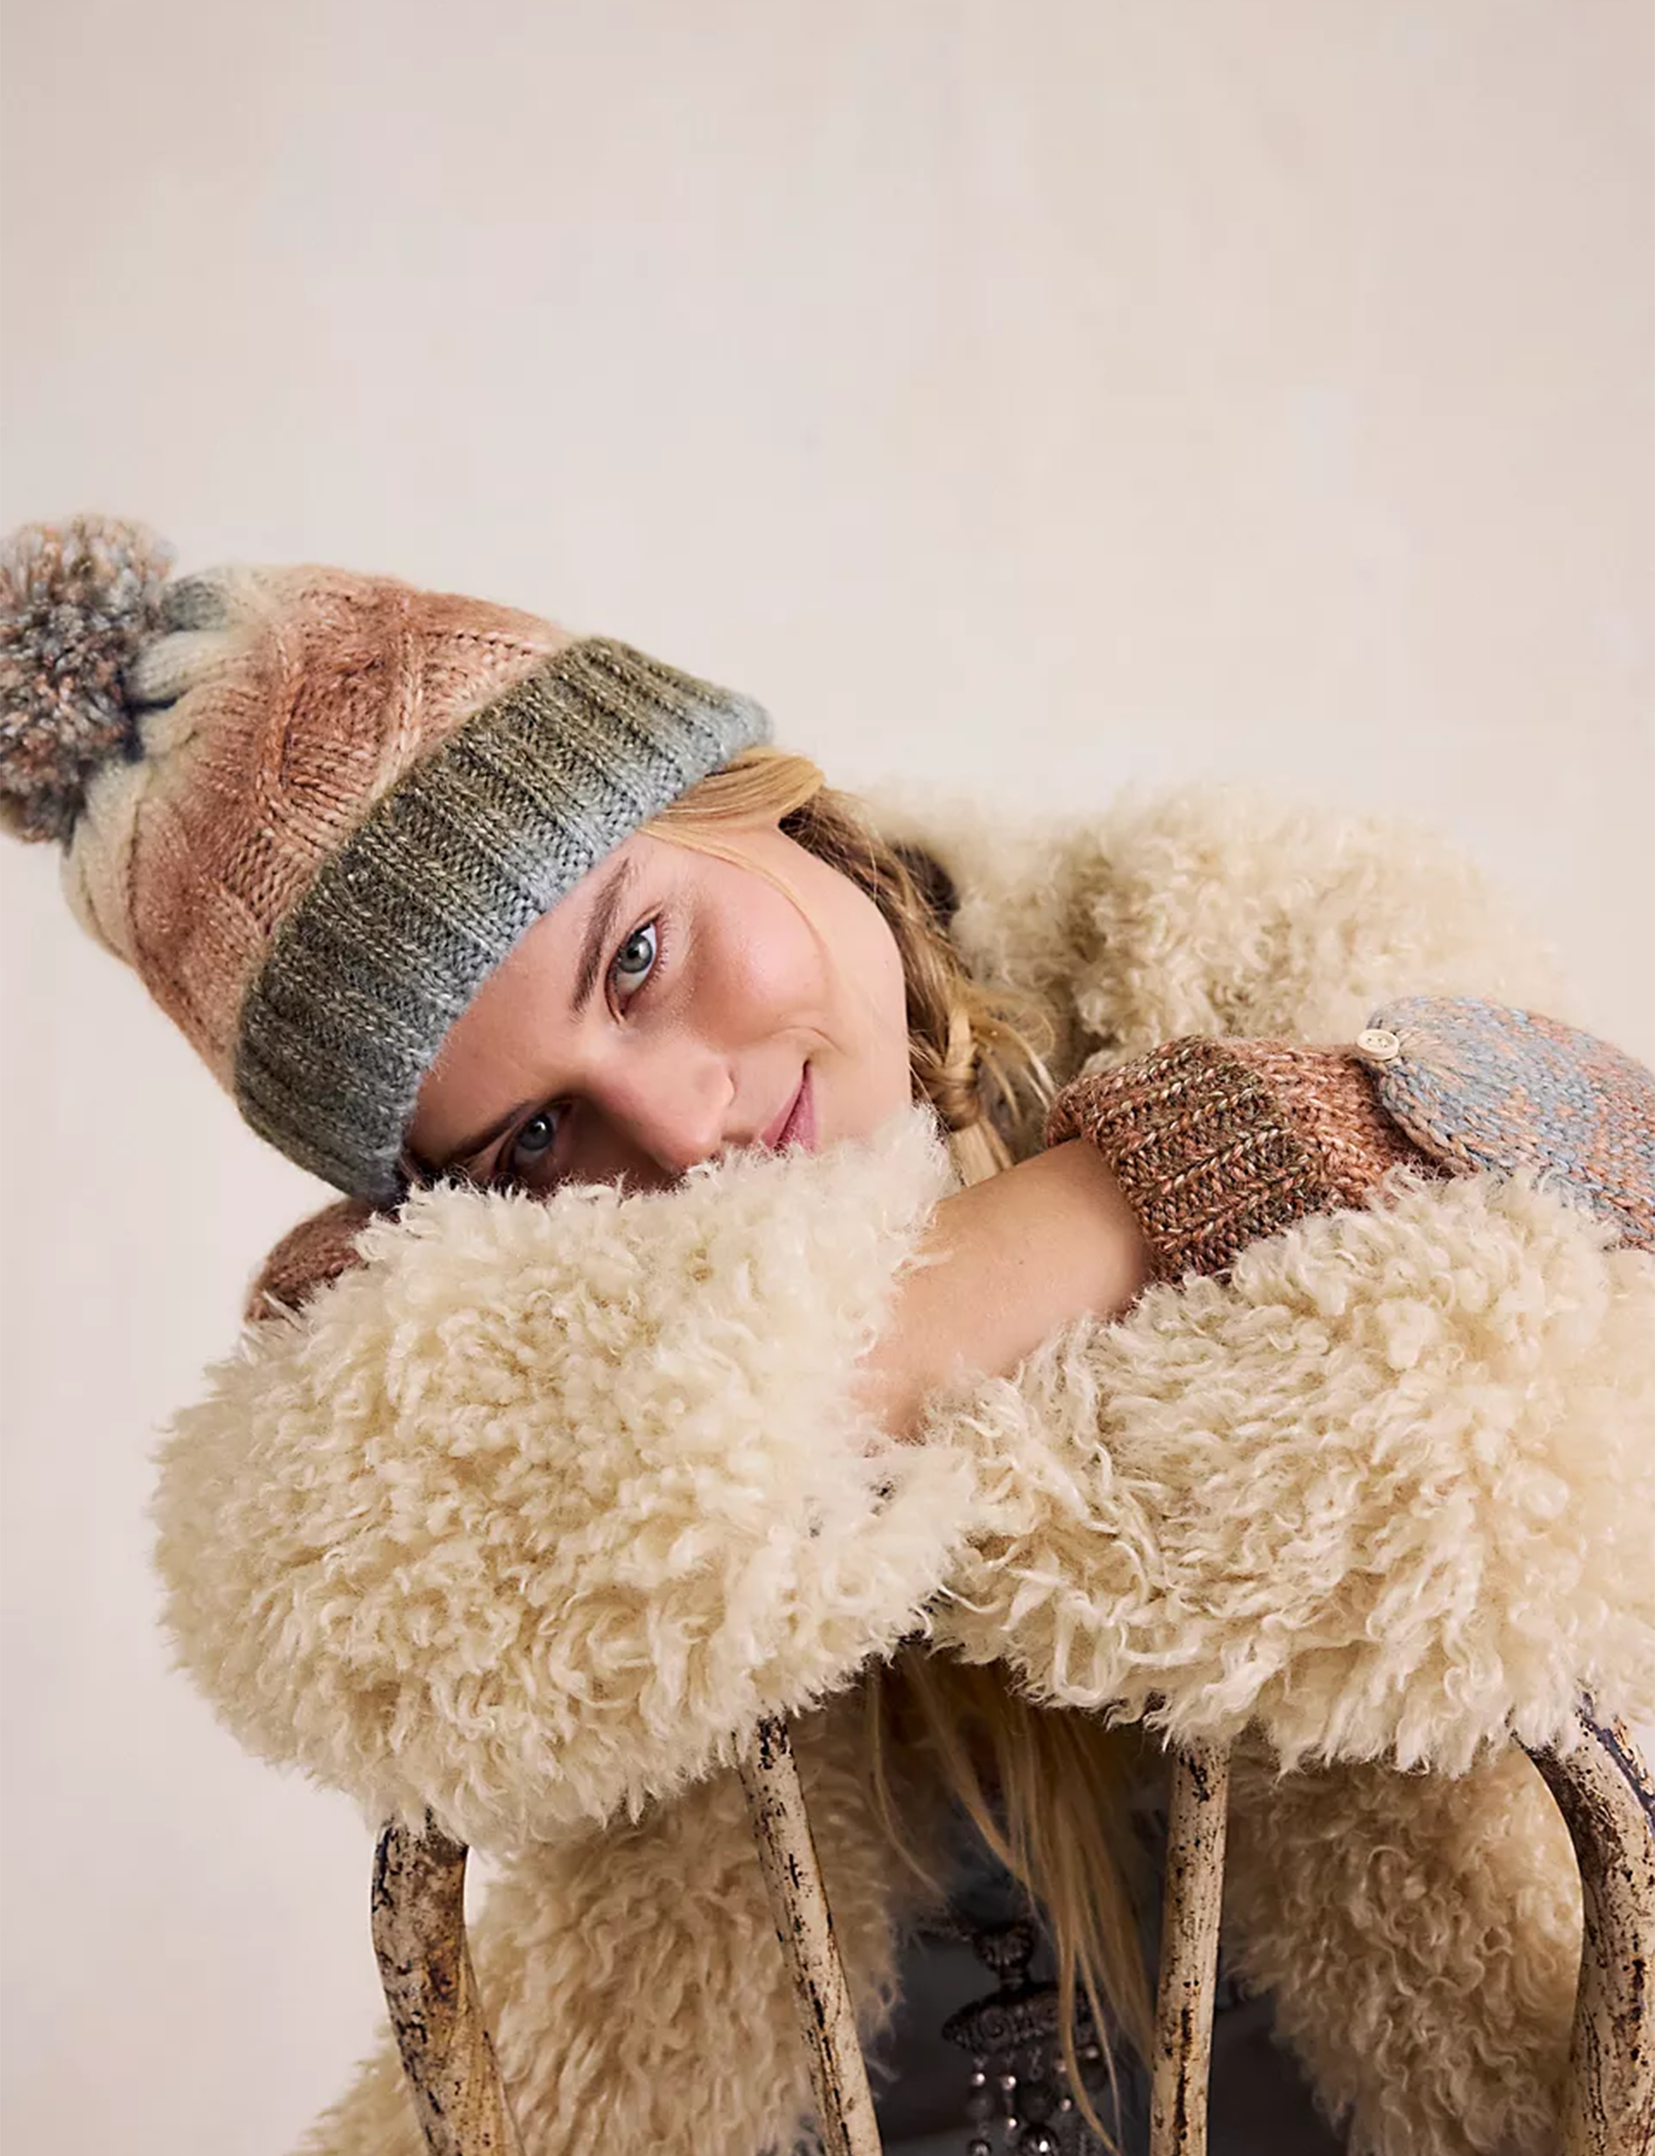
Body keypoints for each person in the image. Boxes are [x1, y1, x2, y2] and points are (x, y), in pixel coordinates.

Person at [3, 515, 1651, 2156]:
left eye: (637, 955)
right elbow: (346, 1598)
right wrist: (1161, 1184)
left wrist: (733, 1419)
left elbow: (1509, 1441)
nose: (677, 1126)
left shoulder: (1237, 929)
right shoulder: (1215, 1101)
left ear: (756, 800)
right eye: (526, 1142)